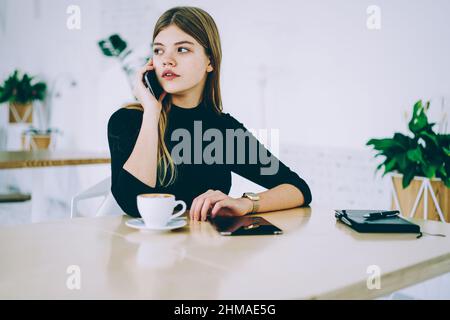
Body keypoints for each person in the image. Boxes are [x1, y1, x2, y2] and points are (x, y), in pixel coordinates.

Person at [107, 6, 312, 222]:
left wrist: (244, 203)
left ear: (210, 62)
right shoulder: (127, 121)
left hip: (207, 250)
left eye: (182, 49)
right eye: (158, 50)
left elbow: (298, 189)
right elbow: (131, 203)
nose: (167, 60)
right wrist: (151, 113)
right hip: (144, 252)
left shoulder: (222, 130)